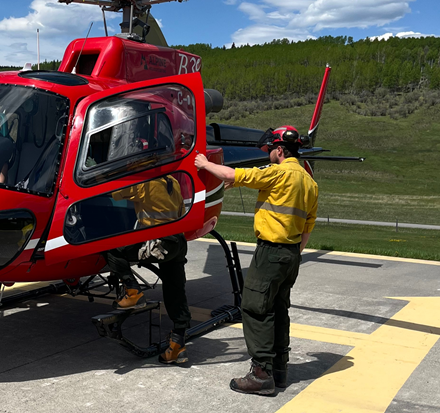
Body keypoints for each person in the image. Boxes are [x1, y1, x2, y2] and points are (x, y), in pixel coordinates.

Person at [194, 125, 318, 396]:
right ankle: (280, 370)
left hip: (271, 253)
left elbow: (231, 174)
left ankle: (261, 373)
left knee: (255, 308)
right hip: (291, 254)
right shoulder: (309, 182)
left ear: (279, 150)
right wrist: (295, 252)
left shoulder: (277, 172)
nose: (269, 155)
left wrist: (203, 163)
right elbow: (308, 226)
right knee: (278, 309)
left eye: (270, 151)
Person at [104, 174, 192, 365]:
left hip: (158, 242)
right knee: (175, 290)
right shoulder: (173, 181)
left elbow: (111, 192)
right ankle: (178, 344)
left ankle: (133, 291)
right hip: (177, 241)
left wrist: (102, 174)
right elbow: (181, 211)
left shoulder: (143, 182)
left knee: (113, 249)